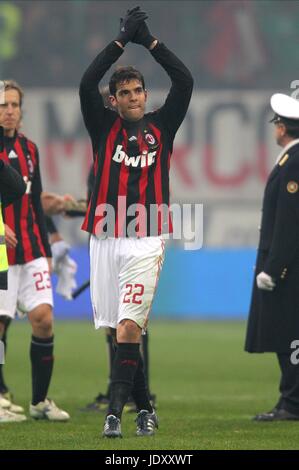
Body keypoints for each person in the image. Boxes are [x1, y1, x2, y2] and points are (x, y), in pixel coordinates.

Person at [79, 7, 193, 437]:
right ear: (113, 100)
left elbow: (185, 80)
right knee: (116, 329)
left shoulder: (163, 125)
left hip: (148, 237)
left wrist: (150, 42)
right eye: (124, 92)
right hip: (105, 236)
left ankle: (114, 413)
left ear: (146, 95)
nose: (133, 97)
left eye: (138, 91)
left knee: (129, 326)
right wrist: (121, 41)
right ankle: (145, 408)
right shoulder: (101, 126)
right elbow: (86, 82)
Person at [0, 80, 70, 422]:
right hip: (0, 251)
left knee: (43, 319)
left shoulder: (30, 149)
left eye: (14, 105)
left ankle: (40, 401)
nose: (9, 111)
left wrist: (52, 237)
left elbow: (35, 198)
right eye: (3, 105)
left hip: (31, 247)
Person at [245, 93, 299, 421]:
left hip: (289, 268)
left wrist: (274, 267)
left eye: (277, 123)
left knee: (290, 334)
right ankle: (288, 399)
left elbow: (289, 222)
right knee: (284, 333)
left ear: (282, 127)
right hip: (287, 266)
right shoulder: (289, 161)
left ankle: (292, 403)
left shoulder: (293, 163)